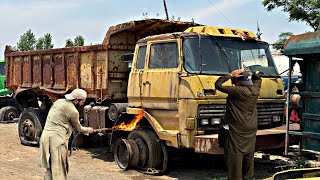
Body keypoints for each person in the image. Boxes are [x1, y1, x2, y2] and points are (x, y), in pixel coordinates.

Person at [215, 69, 262, 180]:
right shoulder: (255, 89)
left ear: (239, 81)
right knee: (248, 155)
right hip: (250, 127)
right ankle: (248, 177)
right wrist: (251, 72)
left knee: (234, 156)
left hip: (237, 128)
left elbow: (218, 85)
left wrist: (230, 75)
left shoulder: (238, 91)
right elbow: (258, 78)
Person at [39, 88, 95, 180]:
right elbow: (79, 128)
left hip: (45, 138)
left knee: (50, 170)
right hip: (57, 142)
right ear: (76, 100)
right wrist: (89, 130)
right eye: (82, 102)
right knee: (59, 172)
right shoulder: (73, 111)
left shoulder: (58, 102)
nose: (83, 104)